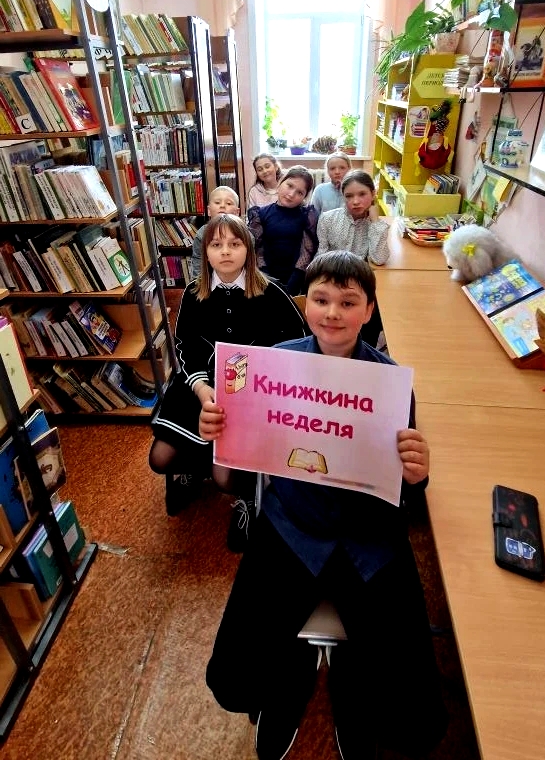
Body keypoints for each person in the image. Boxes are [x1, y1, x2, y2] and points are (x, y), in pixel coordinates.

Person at [205, 252, 448, 760]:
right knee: (239, 662)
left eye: (348, 302)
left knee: (409, 689)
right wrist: (220, 430)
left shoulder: (389, 382)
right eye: (321, 299)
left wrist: (417, 474)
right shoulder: (275, 364)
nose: (333, 312)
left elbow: (404, 489)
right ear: (306, 304)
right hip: (292, 527)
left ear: (369, 310)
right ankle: (283, 686)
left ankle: (354, 690)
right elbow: (245, 458)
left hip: (370, 536)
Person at [149, 214, 305, 546]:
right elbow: (184, 346)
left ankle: (246, 496)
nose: (225, 251)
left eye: (234, 244)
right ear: (204, 252)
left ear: (248, 249)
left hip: (253, 393)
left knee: (225, 478)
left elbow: (297, 340)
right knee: (159, 458)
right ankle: (194, 468)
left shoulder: (272, 292)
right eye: (216, 245)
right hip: (200, 386)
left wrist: (267, 382)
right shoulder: (193, 293)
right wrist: (202, 388)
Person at [248, 165, 318, 296]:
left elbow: (307, 251)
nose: (291, 194)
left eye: (300, 192)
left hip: (296, 279)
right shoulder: (260, 214)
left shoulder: (307, 215)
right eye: (290, 186)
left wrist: (293, 283)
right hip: (266, 277)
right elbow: (258, 251)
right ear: (281, 182)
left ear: (304, 197)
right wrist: (268, 281)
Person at [317, 169, 390, 266]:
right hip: (331, 271)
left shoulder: (376, 226)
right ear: (343, 197)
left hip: (360, 273)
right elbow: (321, 255)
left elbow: (379, 259)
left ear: (373, 194)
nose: (355, 202)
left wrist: (375, 222)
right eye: (349, 196)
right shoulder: (327, 219)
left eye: (362, 194)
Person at [191, 185, 240, 278]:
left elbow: (251, 263)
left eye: (229, 203)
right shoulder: (202, 234)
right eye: (217, 202)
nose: (222, 206)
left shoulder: (245, 234)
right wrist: (199, 283)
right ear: (209, 211)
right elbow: (198, 262)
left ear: (237, 212)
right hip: (210, 280)